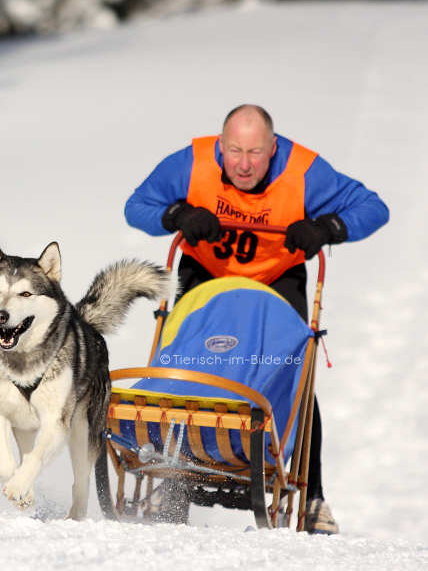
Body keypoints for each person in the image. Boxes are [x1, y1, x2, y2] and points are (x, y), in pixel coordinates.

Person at [124, 104, 389, 534]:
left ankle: (313, 496)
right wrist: (178, 216)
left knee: (290, 372)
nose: (244, 164)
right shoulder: (192, 164)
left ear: (273, 148)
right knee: (186, 364)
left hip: (275, 277)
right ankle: (171, 481)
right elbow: (137, 206)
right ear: (220, 146)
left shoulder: (304, 171)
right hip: (207, 273)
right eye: (234, 151)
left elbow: (373, 208)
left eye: (255, 152)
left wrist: (326, 228)